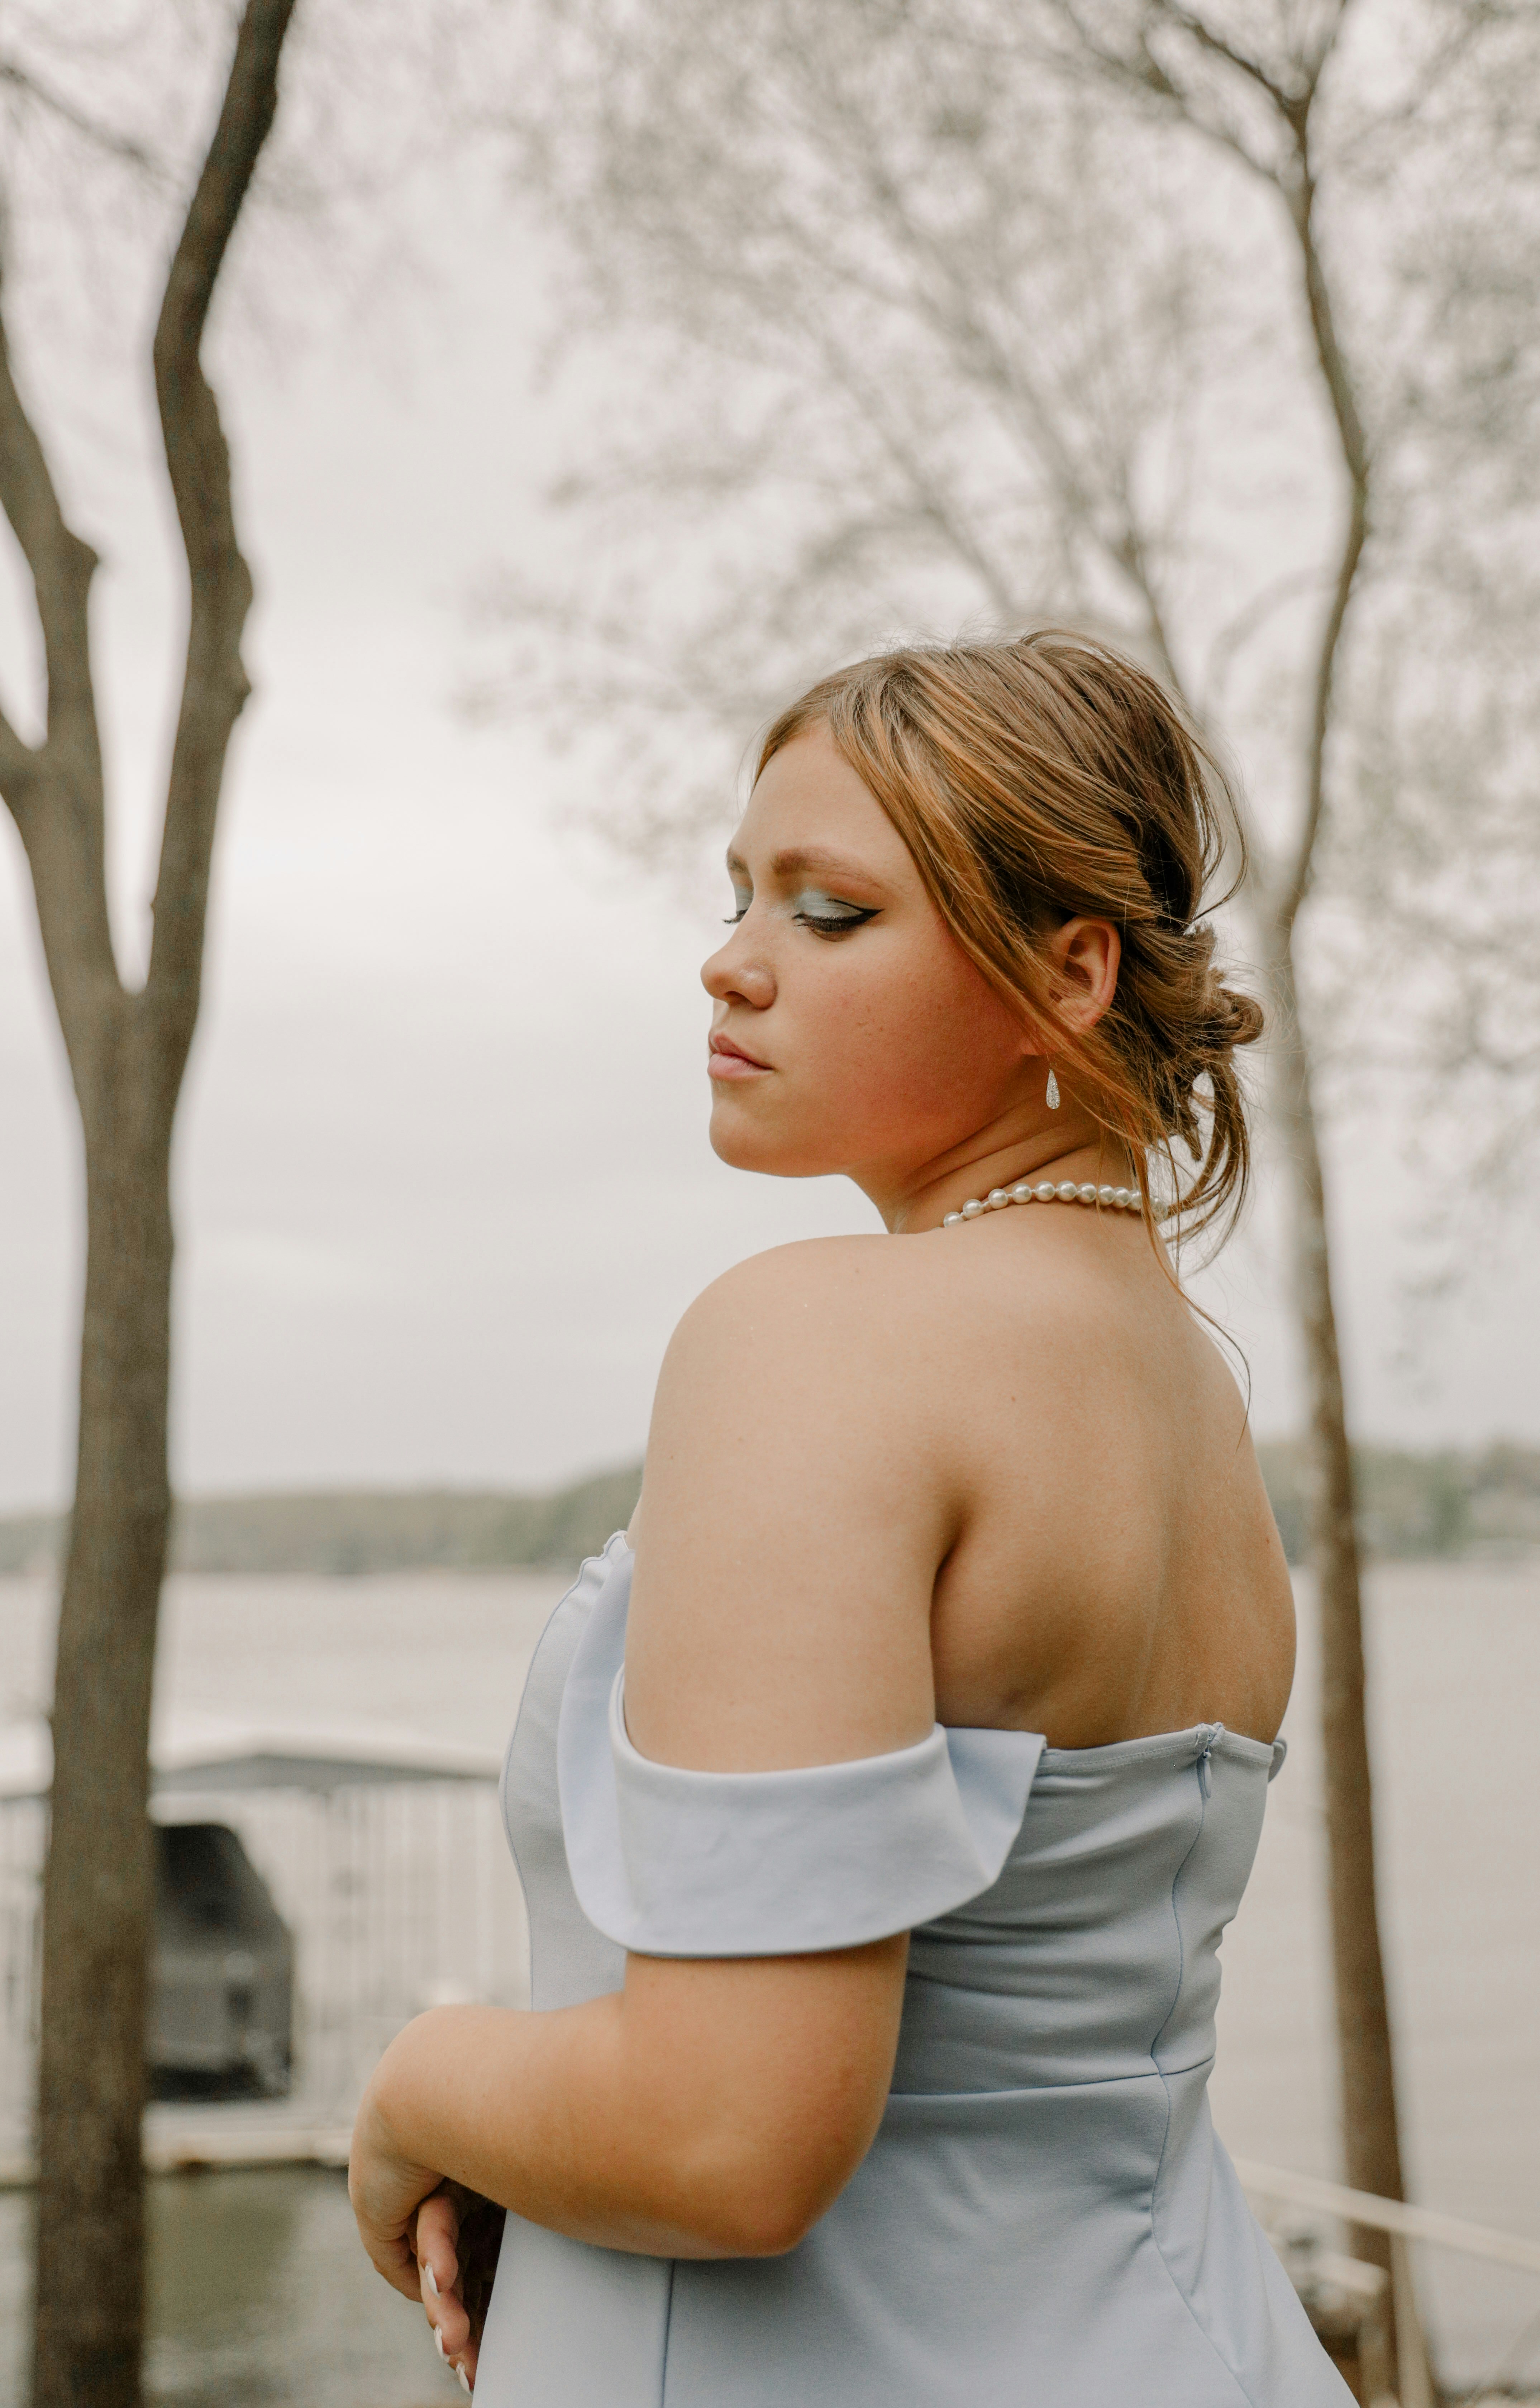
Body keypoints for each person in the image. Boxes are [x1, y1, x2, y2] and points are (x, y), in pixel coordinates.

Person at [348, 631, 1352, 2405]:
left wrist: (423, 2084)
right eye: (737, 894)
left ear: (1069, 973)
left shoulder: (816, 1341)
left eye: (829, 912)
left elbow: (730, 2138)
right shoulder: (1190, 1399)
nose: (730, 961)